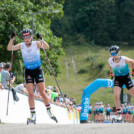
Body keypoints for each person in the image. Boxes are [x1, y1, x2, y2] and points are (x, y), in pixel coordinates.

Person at [7, 29, 57, 123]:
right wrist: (12, 38)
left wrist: (41, 39)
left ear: (31, 37)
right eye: (24, 37)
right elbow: (10, 48)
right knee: (30, 94)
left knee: (42, 92)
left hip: (38, 70)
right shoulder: (21, 45)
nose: (26, 39)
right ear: (23, 38)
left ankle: (50, 111)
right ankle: (33, 116)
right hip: (28, 71)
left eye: (28, 36)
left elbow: (47, 47)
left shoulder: (36, 43)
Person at [108, 45, 134, 120]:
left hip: (126, 78)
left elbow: (132, 61)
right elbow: (110, 66)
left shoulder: (123, 59)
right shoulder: (110, 60)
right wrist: (111, 74)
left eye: (115, 53)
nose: (114, 55)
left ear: (118, 52)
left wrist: (133, 71)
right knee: (116, 96)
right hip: (118, 79)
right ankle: (119, 114)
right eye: (112, 54)